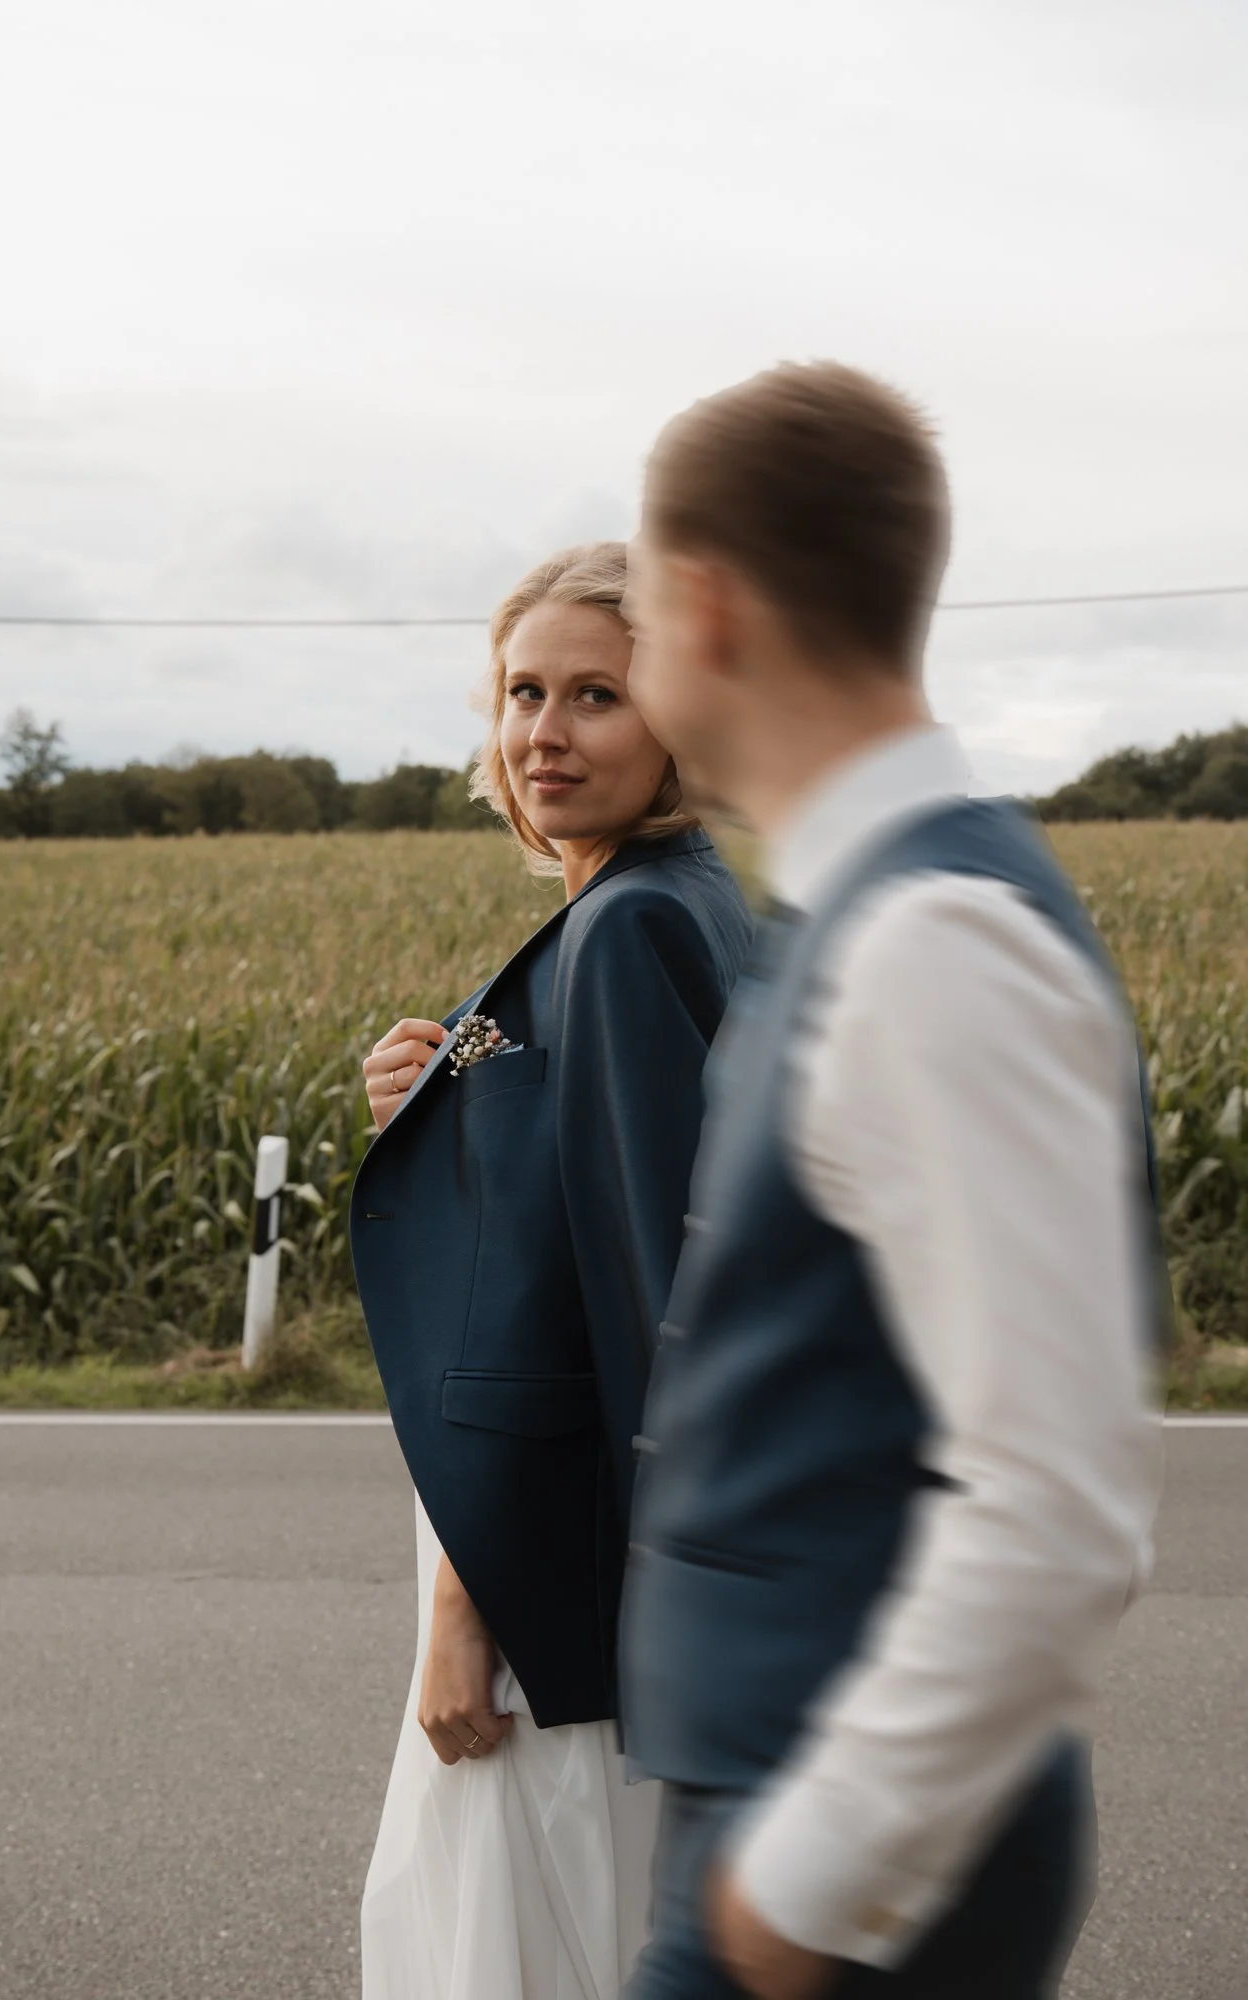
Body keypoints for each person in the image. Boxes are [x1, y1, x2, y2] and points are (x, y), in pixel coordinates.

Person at [619, 363, 1164, 1999]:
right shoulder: (869, 912)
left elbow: (1060, 1497)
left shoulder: (933, 945)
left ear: (707, 607)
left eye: (636, 615)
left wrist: (814, 1873)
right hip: (788, 1811)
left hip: (839, 1862)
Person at [350, 540, 752, 2000]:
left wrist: (467, 1620)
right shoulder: (642, 908)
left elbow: (620, 1305)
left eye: (600, 694)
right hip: (546, 1563)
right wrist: (445, 1100)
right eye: (524, 691)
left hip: (536, 1580)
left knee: (508, 1957)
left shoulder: (632, 928)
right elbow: (558, 1181)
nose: (545, 733)